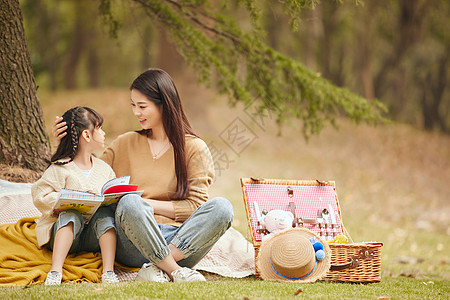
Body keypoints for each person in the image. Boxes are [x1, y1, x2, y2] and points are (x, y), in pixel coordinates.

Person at [53, 68, 234, 283]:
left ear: (164, 105)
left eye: (142, 106)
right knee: (130, 203)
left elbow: (195, 207)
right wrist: (67, 145)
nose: (136, 113)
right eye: (133, 106)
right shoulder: (125, 142)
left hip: (179, 242)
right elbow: (88, 172)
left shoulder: (194, 148)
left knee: (223, 207)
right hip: (131, 241)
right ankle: (175, 271)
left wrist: (146, 203)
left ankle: (156, 268)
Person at [33, 107, 119, 285]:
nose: (104, 132)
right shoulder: (60, 167)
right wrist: (70, 197)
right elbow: (40, 195)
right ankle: (55, 271)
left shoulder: (105, 169)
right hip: (62, 235)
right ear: (87, 135)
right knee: (71, 215)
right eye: (99, 127)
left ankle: (108, 272)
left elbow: (112, 198)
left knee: (105, 216)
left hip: (93, 236)